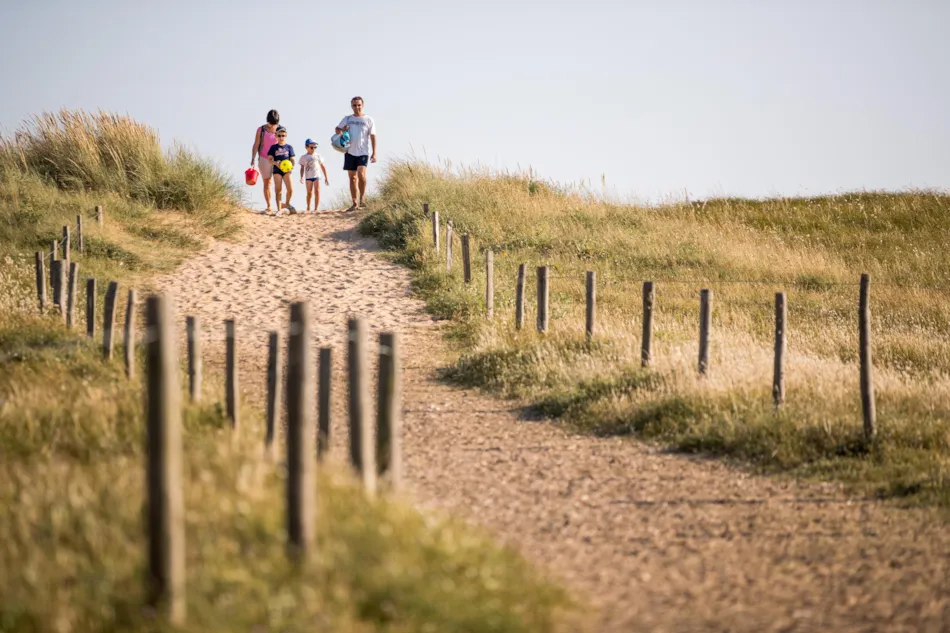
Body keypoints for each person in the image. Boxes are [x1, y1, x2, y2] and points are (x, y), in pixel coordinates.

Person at [335, 96, 377, 212]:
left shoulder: (368, 120)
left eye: (358, 105)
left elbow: (373, 136)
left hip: (363, 152)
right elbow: (337, 130)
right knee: (352, 178)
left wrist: (374, 153)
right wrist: (343, 129)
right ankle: (354, 202)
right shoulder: (347, 119)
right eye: (354, 105)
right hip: (349, 152)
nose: (357, 107)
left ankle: (362, 198)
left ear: (362, 105)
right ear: (351, 106)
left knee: (361, 174)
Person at [250, 109, 280, 214]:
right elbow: (256, 144)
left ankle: (279, 207)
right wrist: (253, 158)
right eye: (270, 123)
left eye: (274, 124)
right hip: (264, 159)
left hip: (277, 160)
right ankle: (269, 205)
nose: (272, 126)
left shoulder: (280, 130)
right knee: (267, 182)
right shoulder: (261, 130)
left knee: (278, 182)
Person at [266, 126, 295, 216]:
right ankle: (279, 210)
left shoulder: (289, 147)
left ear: (286, 136)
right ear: (276, 136)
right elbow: (269, 159)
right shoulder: (273, 147)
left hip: (287, 170)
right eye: (279, 135)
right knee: (278, 190)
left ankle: (286, 203)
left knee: (290, 189)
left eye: (283, 135)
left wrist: (292, 166)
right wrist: (275, 163)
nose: (281, 137)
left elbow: (292, 159)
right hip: (277, 170)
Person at [298, 139, 329, 213]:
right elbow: (302, 168)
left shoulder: (318, 156)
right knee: (309, 193)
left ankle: (316, 208)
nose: (313, 149)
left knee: (317, 191)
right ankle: (308, 207)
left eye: (315, 147)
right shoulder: (303, 157)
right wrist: (301, 177)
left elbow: (323, 166)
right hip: (308, 177)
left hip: (317, 176)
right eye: (311, 147)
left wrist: (326, 177)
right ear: (306, 147)